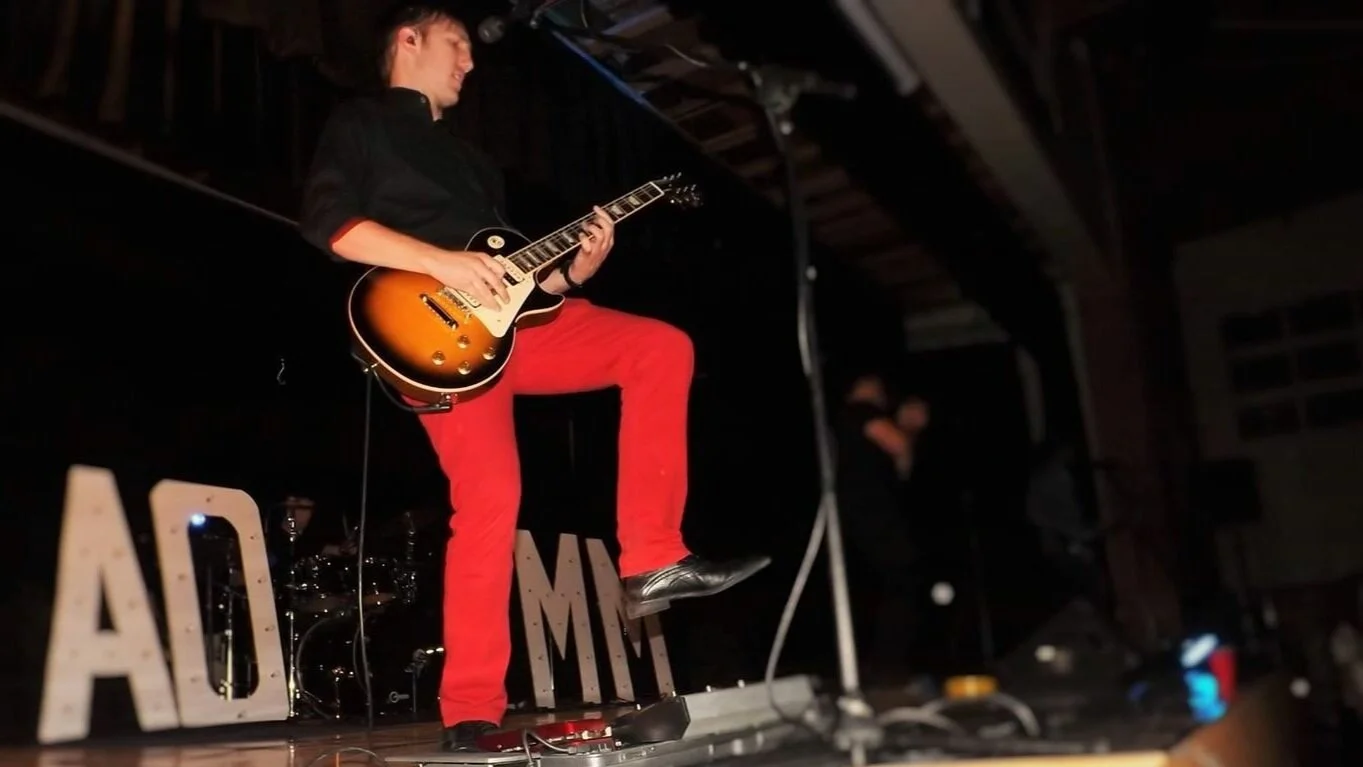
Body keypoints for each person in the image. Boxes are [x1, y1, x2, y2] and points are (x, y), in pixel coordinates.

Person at [296, 2, 769, 751]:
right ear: (408, 39)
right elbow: (330, 225)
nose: (469, 61)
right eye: (457, 43)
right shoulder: (363, 123)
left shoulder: (476, 162)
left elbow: (518, 281)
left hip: (521, 330)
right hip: (434, 337)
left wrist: (570, 274)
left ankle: (652, 557)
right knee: (491, 504)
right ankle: (470, 711)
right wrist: (443, 263)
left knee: (660, 347)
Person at [834, 371, 930, 686]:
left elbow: (902, 465)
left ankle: (886, 665)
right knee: (902, 580)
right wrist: (908, 427)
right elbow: (898, 443)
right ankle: (887, 668)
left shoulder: (856, 418)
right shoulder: (860, 412)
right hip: (870, 512)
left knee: (897, 583)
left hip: (874, 512)